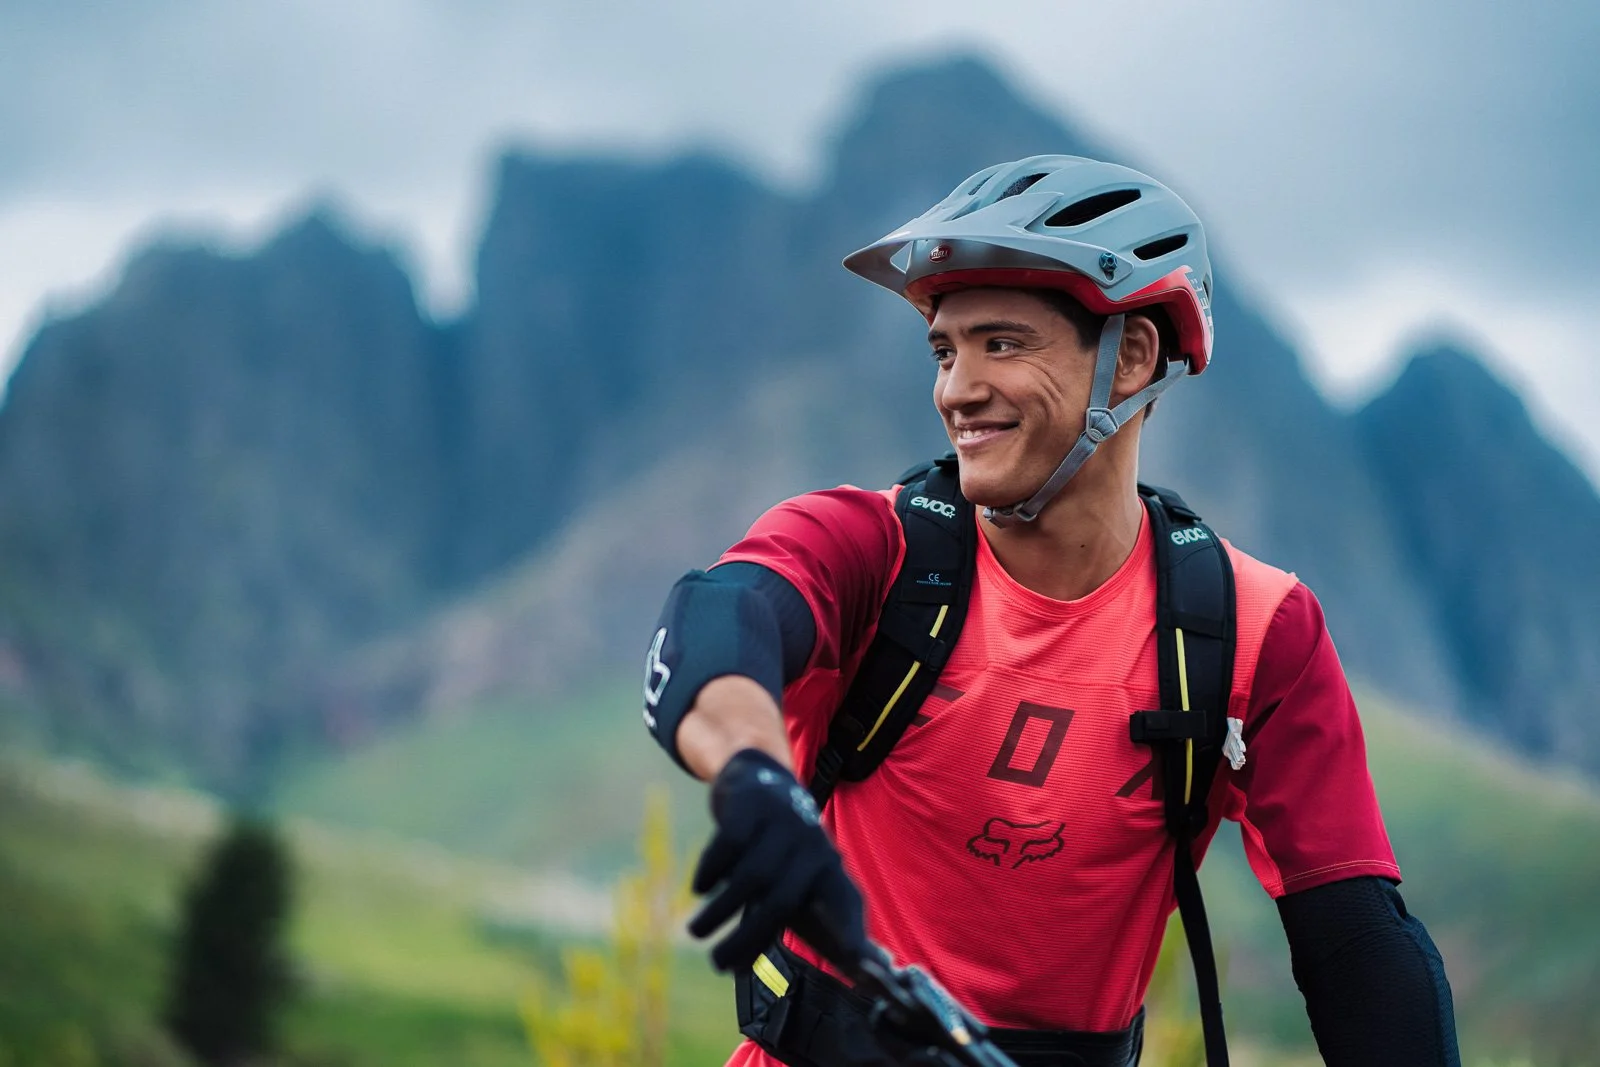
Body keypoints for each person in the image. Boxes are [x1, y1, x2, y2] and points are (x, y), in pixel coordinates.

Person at [642, 154, 1460, 1066]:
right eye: (945, 350)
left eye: (1003, 343)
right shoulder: (870, 546)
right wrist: (758, 784)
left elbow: (1355, 944)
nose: (956, 388)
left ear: (1133, 357)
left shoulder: (1253, 630)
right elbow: (716, 625)